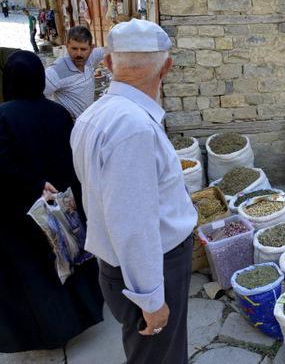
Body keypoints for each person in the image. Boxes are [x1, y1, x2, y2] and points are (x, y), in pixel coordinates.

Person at [71, 19, 197, 364]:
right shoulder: (135, 128)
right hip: (151, 267)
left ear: (109, 64)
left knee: (152, 353)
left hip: (119, 264)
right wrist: (152, 301)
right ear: (166, 68)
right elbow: (134, 225)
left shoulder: (92, 116)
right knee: (160, 355)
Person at [0, 50, 104, 353]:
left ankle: (52, 331)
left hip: (24, 213)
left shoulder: (4, 116)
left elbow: (3, 166)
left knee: (36, 271)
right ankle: (86, 312)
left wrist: (34, 185)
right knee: (68, 256)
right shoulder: (57, 112)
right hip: (64, 203)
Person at [44, 26, 104, 118]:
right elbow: (28, 97)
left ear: (91, 48)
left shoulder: (91, 58)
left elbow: (109, 50)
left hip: (88, 122)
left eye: (83, 49)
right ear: (67, 46)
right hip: (70, 128)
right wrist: (56, 113)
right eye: (74, 49)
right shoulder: (56, 71)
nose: (79, 54)